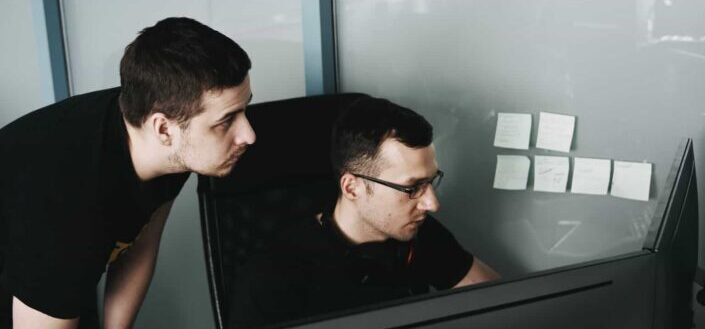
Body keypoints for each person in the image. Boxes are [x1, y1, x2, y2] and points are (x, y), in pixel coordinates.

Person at [0, 17, 255, 329]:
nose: (249, 134)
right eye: (227, 120)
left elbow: (139, 243)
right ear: (163, 129)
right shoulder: (68, 206)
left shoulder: (169, 141)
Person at [227, 96, 499, 328]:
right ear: (352, 188)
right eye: (413, 187)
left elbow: (500, 301)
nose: (432, 203)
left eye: (430, 181)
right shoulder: (271, 279)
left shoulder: (416, 231)